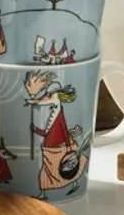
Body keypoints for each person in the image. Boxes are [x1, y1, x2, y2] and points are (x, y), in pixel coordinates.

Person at [24, 70, 87, 198]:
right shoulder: (55, 112)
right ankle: (68, 186)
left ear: (57, 96)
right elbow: (49, 132)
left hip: (56, 148)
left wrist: (68, 144)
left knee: (55, 170)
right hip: (51, 147)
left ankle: (50, 192)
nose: (47, 97)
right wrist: (35, 128)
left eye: (50, 95)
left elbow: (58, 131)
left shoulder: (58, 113)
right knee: (51, 171)